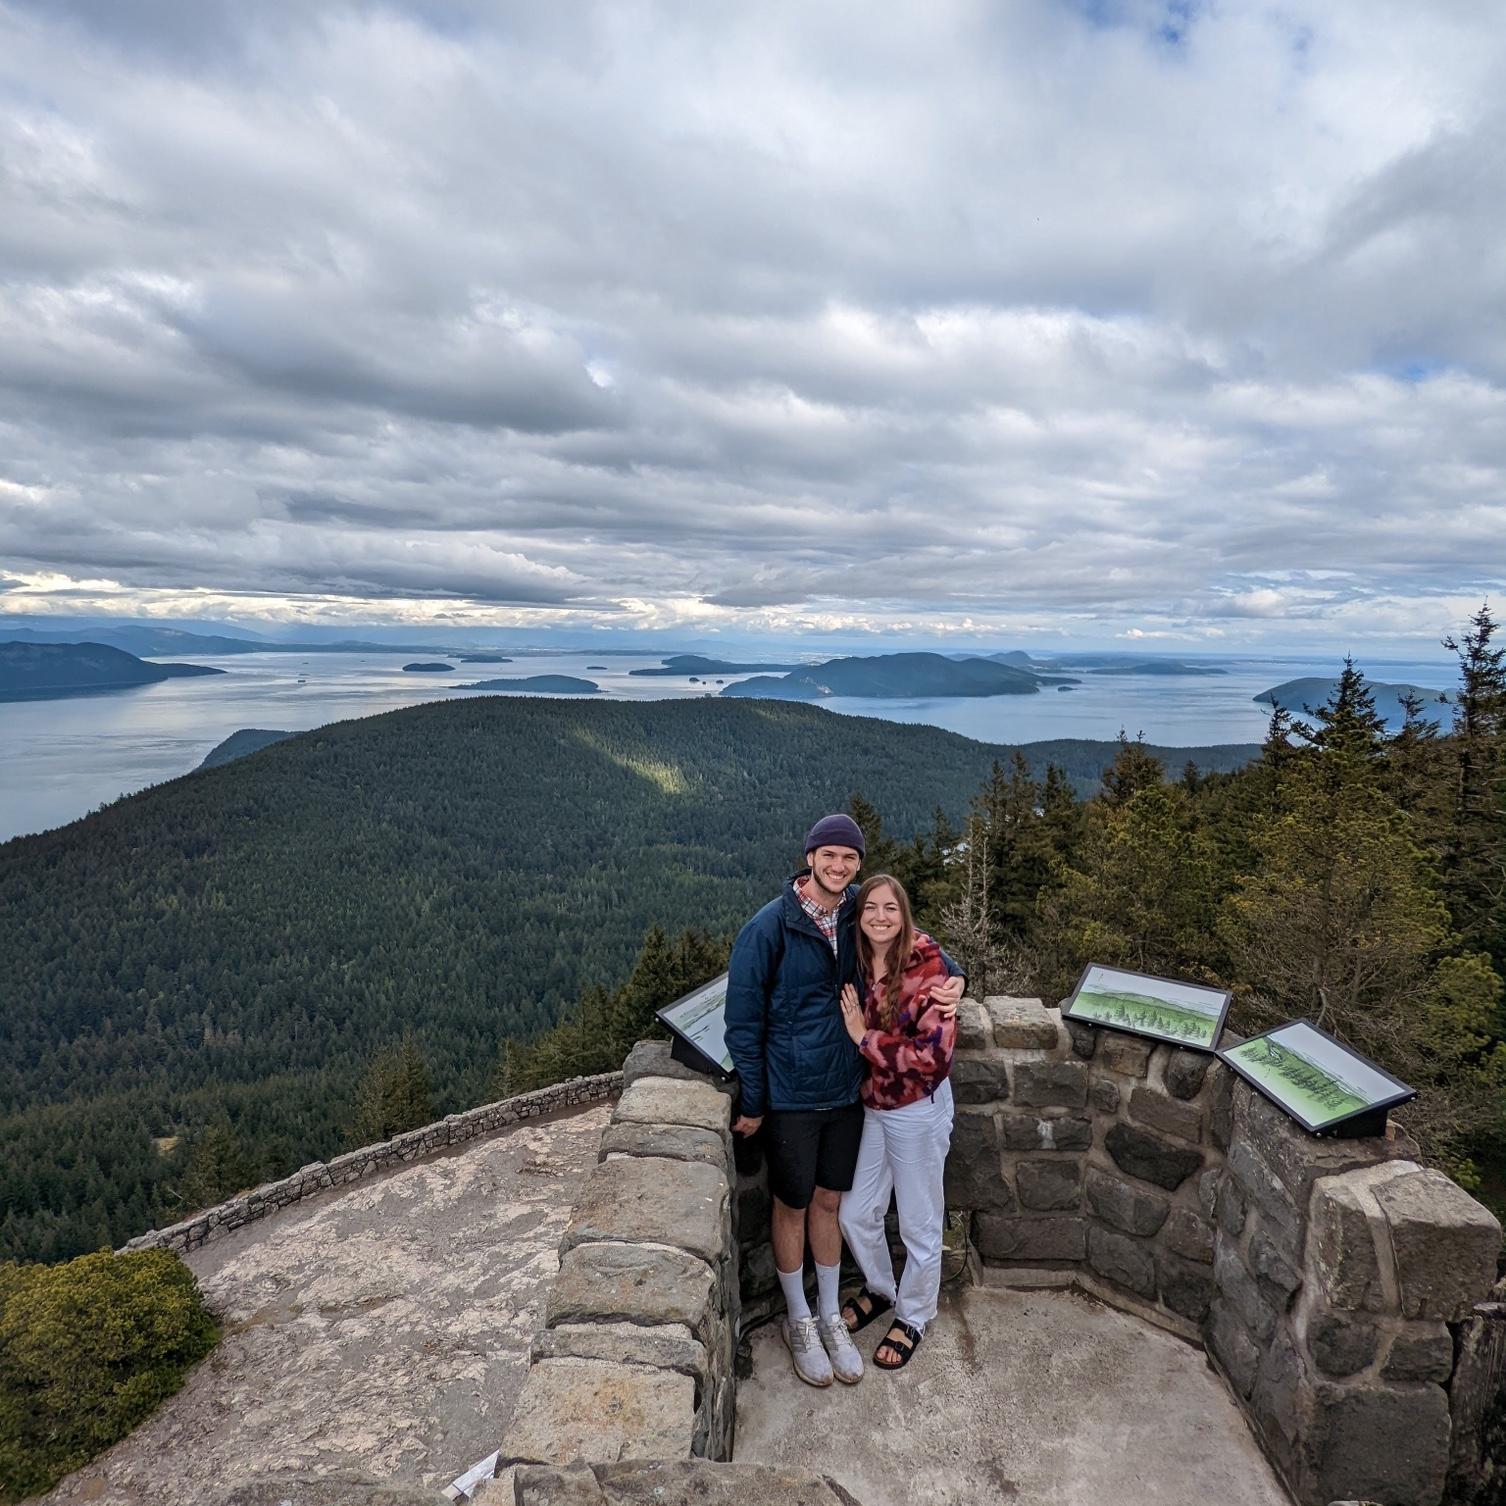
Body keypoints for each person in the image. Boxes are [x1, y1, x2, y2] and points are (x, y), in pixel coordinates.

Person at [724, 815, 964, 1389]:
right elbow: (742, 1020)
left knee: (836, 1205)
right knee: (795, 1204)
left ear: (858, 863)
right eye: (828, 855)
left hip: (852, 1095)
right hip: (794, 1095)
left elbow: (920, 950)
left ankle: (836, 1313)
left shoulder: (859, 908)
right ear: (809, 857)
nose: (838, 866)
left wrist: (957, 977)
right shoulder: (769, 927)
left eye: (848, 858)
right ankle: (801, 1318)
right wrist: (755, 1099)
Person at [836, 873, 957, 1371]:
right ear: (859, 916)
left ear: (904, 914)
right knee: (855, 1213)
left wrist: (865, 1039)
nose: (880, 917)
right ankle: (883, 1288)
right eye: (870, 908)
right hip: (875, 1106)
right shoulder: (860, 958)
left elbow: (934, 1058)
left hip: (916, 1109)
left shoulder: (924, 963)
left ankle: (914, 1315)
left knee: (919, 1222)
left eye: (890, 908)